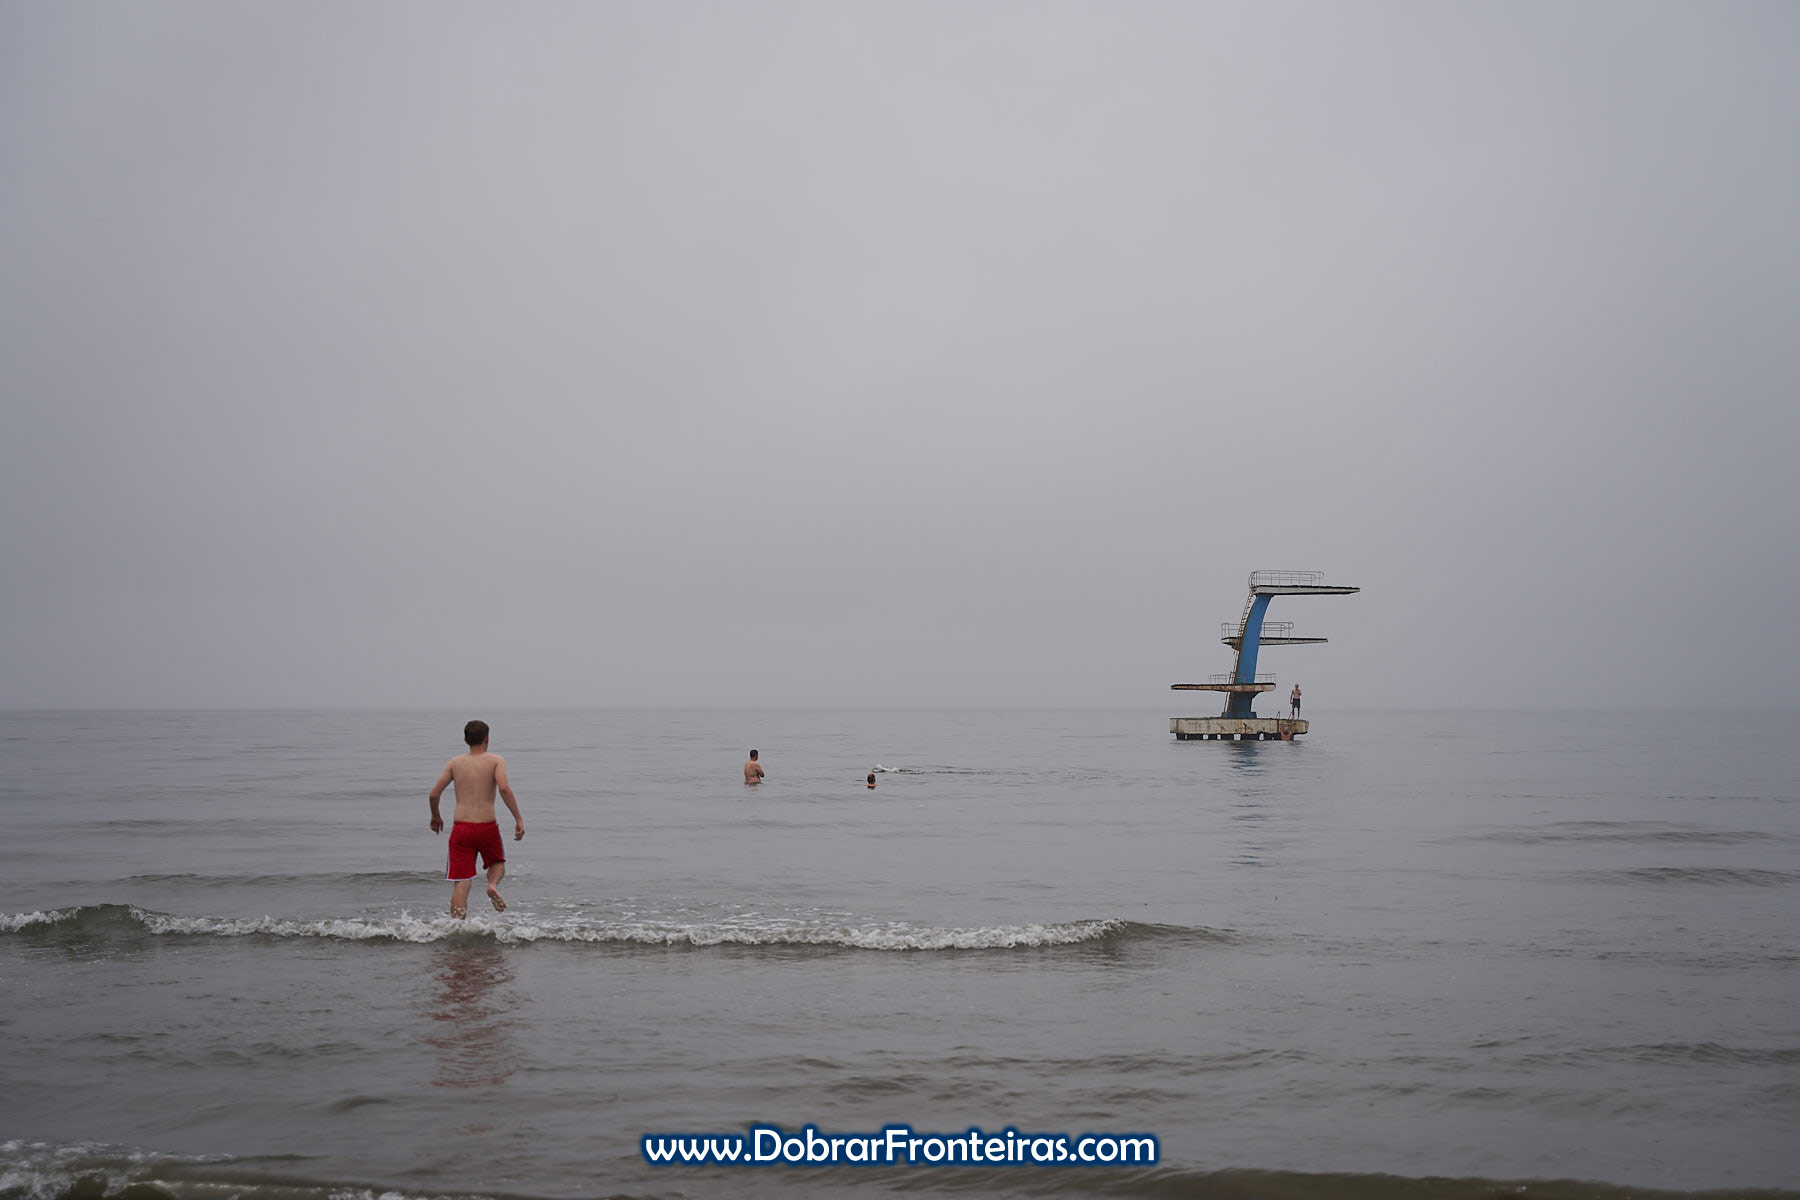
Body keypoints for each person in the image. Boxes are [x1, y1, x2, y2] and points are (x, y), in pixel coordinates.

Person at [429, 720, 524, 919]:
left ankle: (456, 928)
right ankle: (491, 886)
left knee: (462, 881)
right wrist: (518, 819)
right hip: (487, 827)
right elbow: (504, 788)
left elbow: (434, 794)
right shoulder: (496, 760)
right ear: (487, 739)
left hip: (462, 829)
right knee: (497, 863)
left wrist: (436, 815)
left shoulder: (454, 763)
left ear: (465, 740)